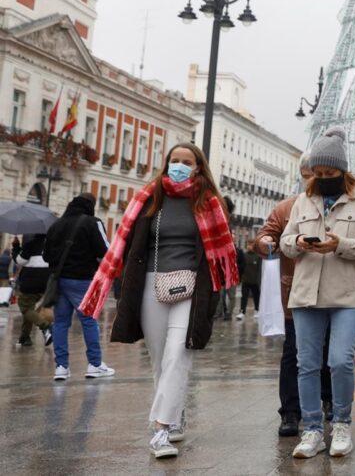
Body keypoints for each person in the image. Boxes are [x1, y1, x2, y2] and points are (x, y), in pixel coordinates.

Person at [80, 144, 240, 459]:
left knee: (178, 354)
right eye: (174, 161)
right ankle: (174, 414)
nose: (179, 166)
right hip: (150, 284)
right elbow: (124, 244)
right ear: (166, 164)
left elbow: (221, 250)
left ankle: (161, 429)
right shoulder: (148, 198)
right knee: (159, 359)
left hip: (191, 286)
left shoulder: (208, 202)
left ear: (198, 168)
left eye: (187, 162)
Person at [280, 127, 355, 460]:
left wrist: (343, 245)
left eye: (330, 173)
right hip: (307, 294)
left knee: (340, 360)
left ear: (343, 171)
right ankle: (312, 430)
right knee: (307, 364)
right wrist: (296, 243)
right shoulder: (303, 201)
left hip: (349, 294)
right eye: (318, 173)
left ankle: (341, 423)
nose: (323, 178)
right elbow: (285, 240)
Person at [255, 156, 334, 437]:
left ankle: (329, 401)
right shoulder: (287, 207)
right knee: (294, 353)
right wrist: (265, 242)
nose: (313, 178)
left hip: (333, 291)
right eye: (308, 174)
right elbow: (267, 234)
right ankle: (290, 412)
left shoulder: (340, 204)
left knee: (329, 352)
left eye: (320, 173)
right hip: (295, 292)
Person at [43, 193, 113, 381]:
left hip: (60, 281)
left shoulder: (56, 225)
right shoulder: (93, 223)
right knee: (89, 321)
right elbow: (106, 251)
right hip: (84, 280)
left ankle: (61, 367)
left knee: (60, 323)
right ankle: (95, 364)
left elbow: (46, 255)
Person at [14, 234, 52, 347]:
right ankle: (25, 337)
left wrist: (16, 247)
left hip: (31, 281)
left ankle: (46, 327)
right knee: (30, 308)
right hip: (45, 282)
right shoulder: (50, 245)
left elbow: (19, 261)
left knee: (25, 307)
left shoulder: (31, 244)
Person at [238, 245, 261, 320]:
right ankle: (242, 312)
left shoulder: (258, 256)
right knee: (244, 297)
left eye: (251, 245)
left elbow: (259, 269)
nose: (249, 247)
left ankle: (257, 310)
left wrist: (258, 280)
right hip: (245, 281)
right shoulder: (244, 255)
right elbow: (241, 267)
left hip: (255, 281)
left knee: (256, 297)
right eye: (248, 245)